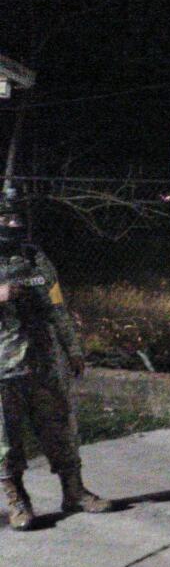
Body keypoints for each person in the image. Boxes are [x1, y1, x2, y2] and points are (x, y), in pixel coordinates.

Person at [0, 189, 113, 531]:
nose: (13, 224)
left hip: (43, 362)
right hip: (3, 370)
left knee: (60, 429)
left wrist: (73, 349)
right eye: (6, 217)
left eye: (17, 217)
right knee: (6, 441)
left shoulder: (35, 258)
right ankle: (17, 501)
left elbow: (57, 307)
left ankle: (74, 491)